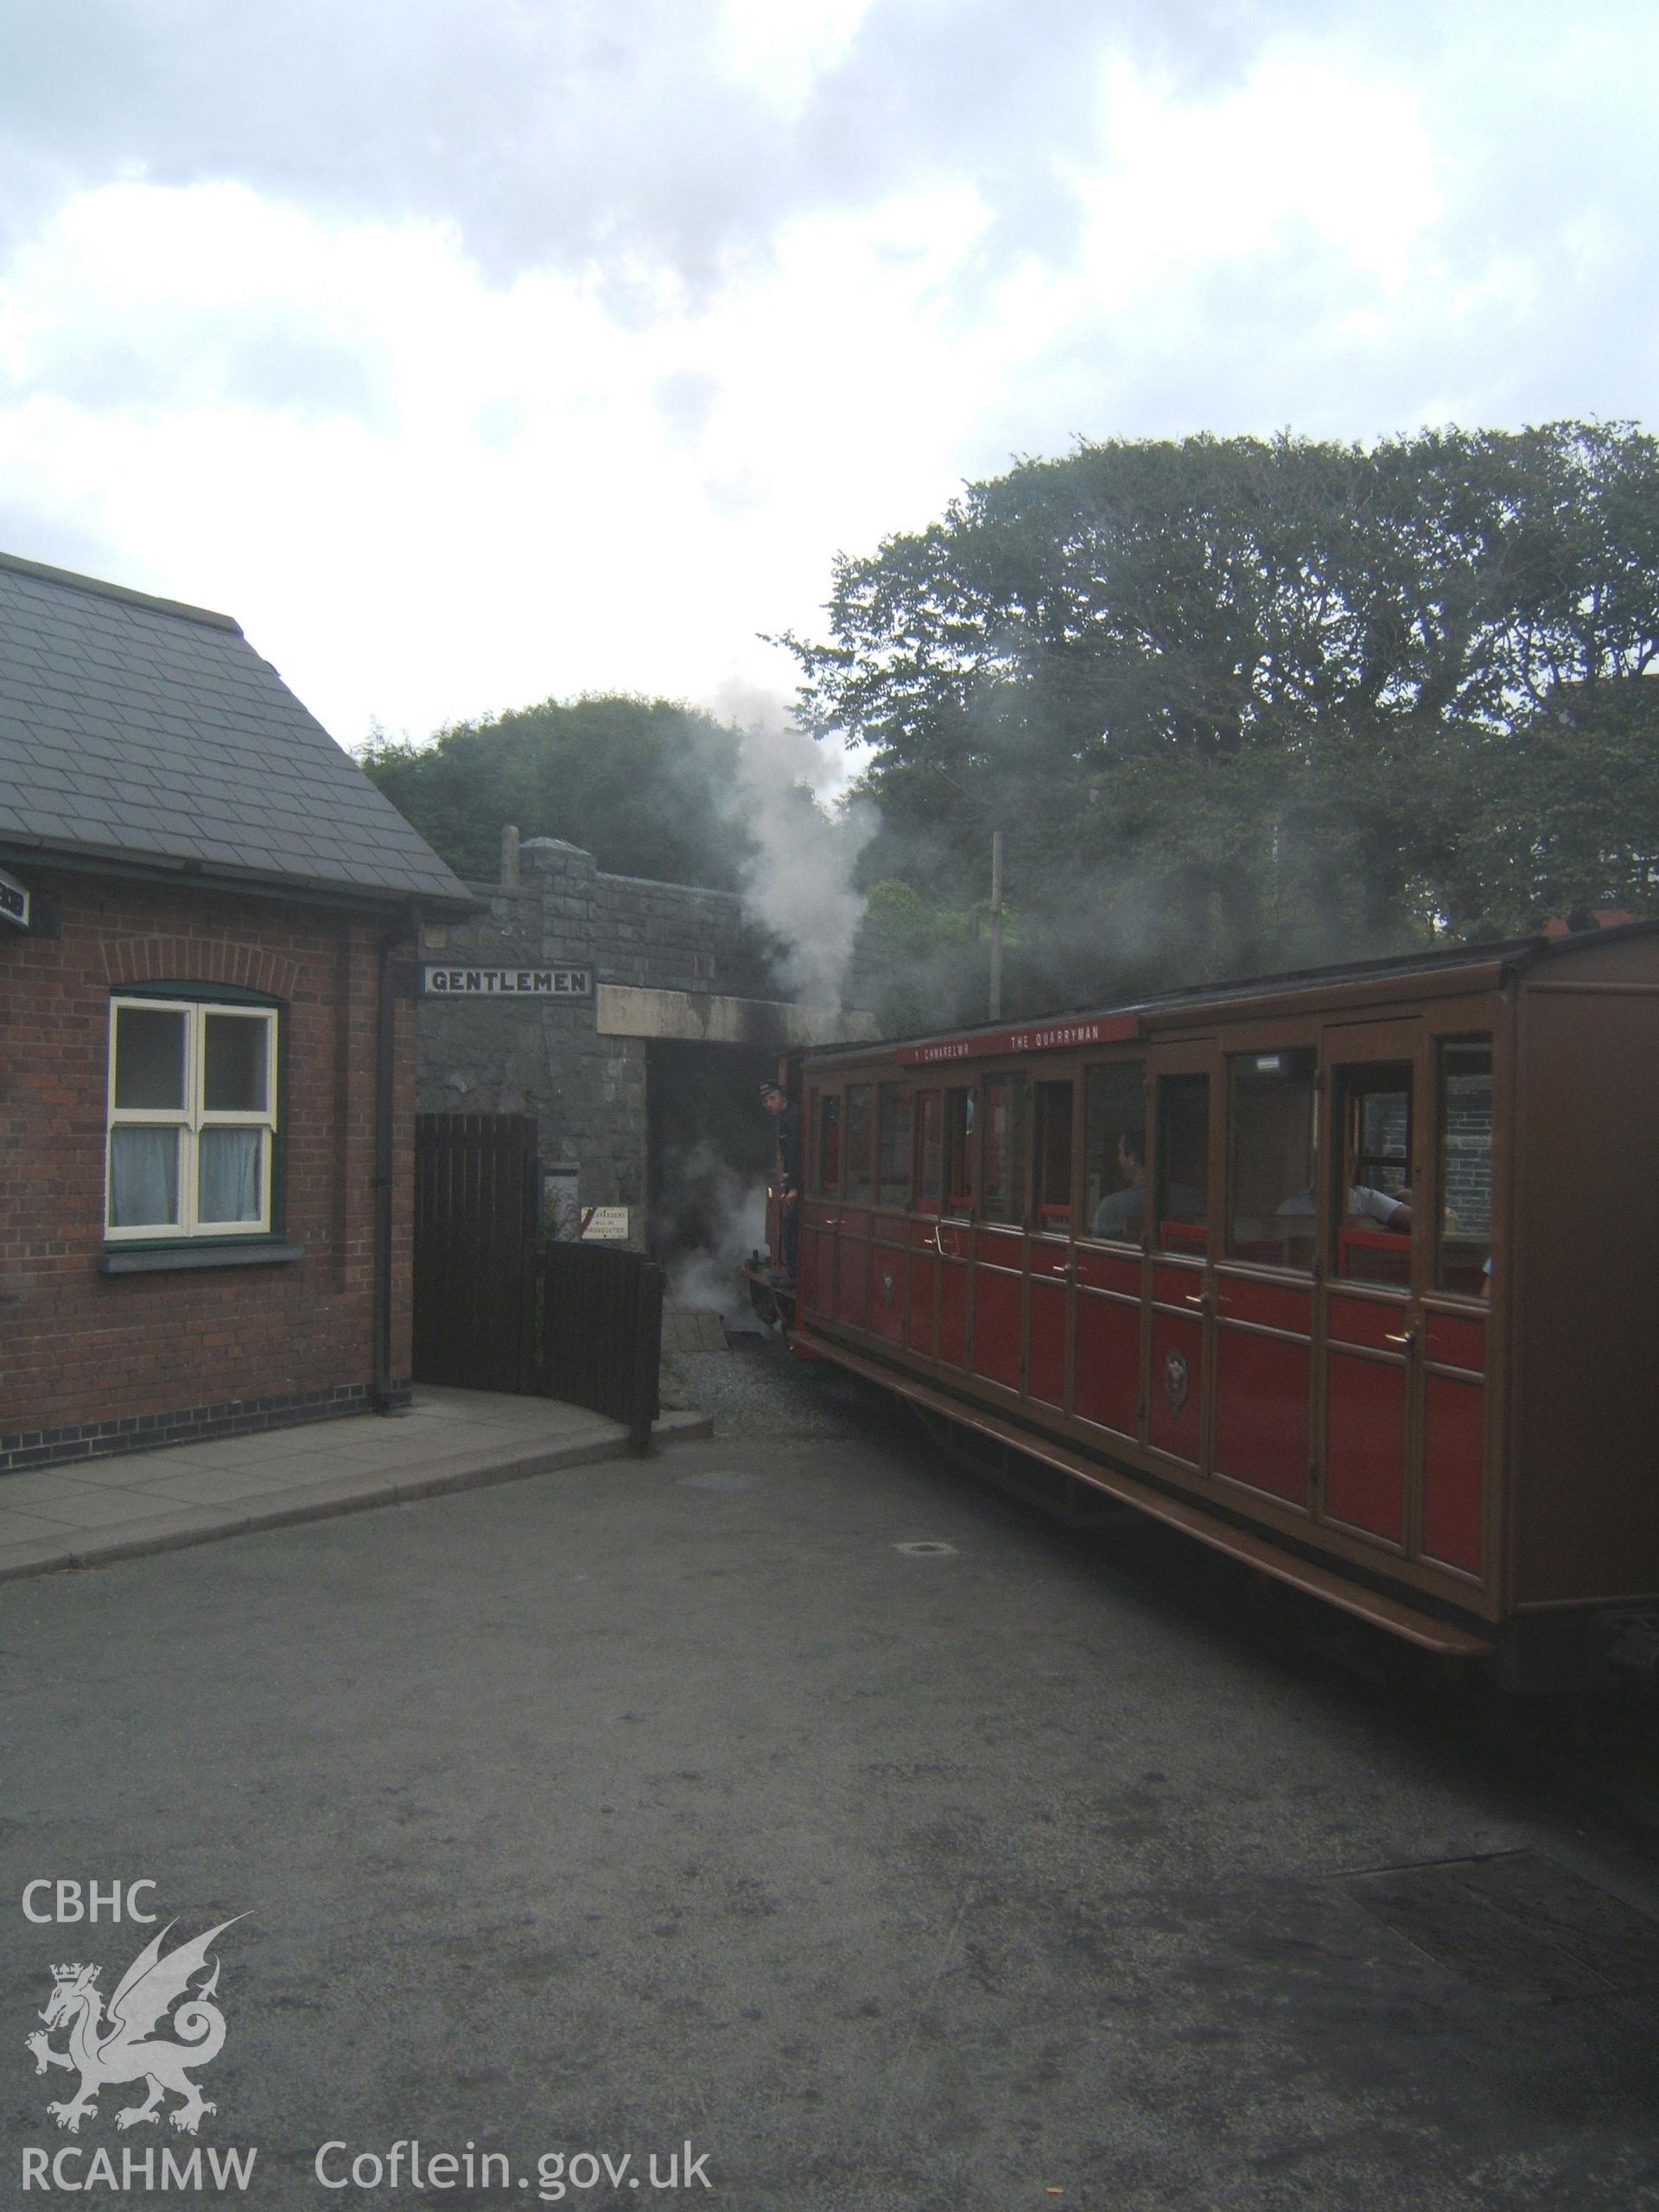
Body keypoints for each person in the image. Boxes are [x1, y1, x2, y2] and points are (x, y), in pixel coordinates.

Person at [760, 1079, 800, 1284]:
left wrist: (794, 1186)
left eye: (772, 1098)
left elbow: (796, 1151)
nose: (769, 1104)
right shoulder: (785, 1116)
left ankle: (793, 1274)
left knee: (789, 1223)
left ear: (783, 1097)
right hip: (797, 1178)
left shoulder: (792, 1117)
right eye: (766, 1101)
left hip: (802, 1185)